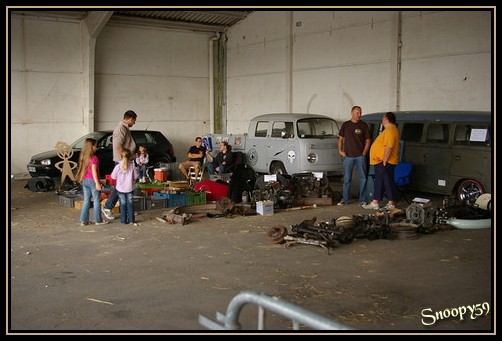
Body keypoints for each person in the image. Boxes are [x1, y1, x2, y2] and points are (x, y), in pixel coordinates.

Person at [102, 110, 137, 220]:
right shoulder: (120, 128)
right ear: (130, 119)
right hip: (122, 161)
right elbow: (118, 146)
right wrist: (125, 158)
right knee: (121, 187)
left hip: (126, 160)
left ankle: (127, 210)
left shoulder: (125, 128)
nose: (134, 123)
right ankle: (108, 206)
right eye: (134, 121)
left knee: (124, 186)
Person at [363, 111, 400, 210]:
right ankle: (376, 201)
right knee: (379, 181)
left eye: (383, 118)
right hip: (380, 161)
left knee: (387, 182)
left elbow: (389, 147)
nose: (382, 120)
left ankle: (391, 202)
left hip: (385, 161)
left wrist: (384, 160)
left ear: (387, 119)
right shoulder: (388, 129)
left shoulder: (390, 130)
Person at [337, 106, 371, 206]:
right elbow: (340, 139)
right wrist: (340, 151)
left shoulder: (363, 125)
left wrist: (364, 152)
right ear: (352, 113)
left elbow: (368, 140)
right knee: (347, 179)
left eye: (360, 113)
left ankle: (362, 199)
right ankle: (345, 199)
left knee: (363, 178)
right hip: (348, 156)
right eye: (357, 113)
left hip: (360, 156)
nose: (359, 115)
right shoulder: (346, 125)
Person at [75, 138, 108, 226]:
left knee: (86, 200)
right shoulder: (94, 158)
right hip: (92, 181)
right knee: (97, 200)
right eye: (95, 146)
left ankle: (84, 220)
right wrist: (97, 183)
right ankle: (98, 220)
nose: (96, 148)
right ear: (91, 147)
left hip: (85, 180)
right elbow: (94, 171)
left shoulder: (83, 156)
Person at [111, 148, 138, 225]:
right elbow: (136, 176)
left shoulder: (118, 166)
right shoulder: (132, 165)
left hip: (120, 189)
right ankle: (131, 220)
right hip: (129, 188)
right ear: (130, 157)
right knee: (130, 204)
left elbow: (113, 177)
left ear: (120, 156)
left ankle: (123, 221)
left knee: (122, 205)